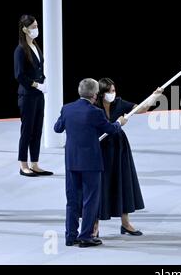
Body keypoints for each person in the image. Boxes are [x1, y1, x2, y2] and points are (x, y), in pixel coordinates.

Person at [54, 78, 128, 248]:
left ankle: (70, 236)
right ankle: (86, 236)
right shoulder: (95, 112)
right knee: (90, 200)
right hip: (91, 163)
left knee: (72, 200)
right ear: (95, 95)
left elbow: (57, 128)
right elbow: (110, 130)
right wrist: (119, 123)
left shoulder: (67, 109)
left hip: (71, 162)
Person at [93, 78, 163, 237]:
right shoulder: (94, 106)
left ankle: (125, 224)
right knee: (99, 185)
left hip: (119, 148)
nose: (113, 93)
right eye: (110, 91)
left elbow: (141, 108)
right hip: (100, 148)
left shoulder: (118, 103)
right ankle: (94, 225)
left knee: (122, 182)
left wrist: (155, 96)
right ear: (101, 93)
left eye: (114, 90)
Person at [14, 15, 53, 177]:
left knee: (37, 130)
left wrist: (43, 81)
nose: (37, 29)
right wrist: (36, 84)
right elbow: (19, 75)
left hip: (38, 95)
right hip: (28, 95)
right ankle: (23, 165)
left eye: (37, 26)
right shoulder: (20, 50)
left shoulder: (35, 45)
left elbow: (38, 68)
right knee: (27, 130)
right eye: (34, 26)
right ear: (25, 29)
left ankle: (35, 163)